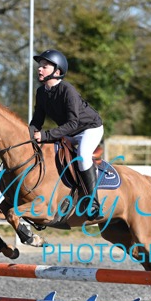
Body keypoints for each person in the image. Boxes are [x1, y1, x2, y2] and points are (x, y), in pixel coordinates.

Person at [29, 49, 103, 220]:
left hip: (89, 128)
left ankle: (93, 203)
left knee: (83, 155)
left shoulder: (67, 90)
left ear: (57, 71)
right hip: (69, 130)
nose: (39, 69)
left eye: (44, 66)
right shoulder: (41, 92)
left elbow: (73, 123)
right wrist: (28, 135)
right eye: (40, 66)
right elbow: (37, 121)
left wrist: (45, 136)